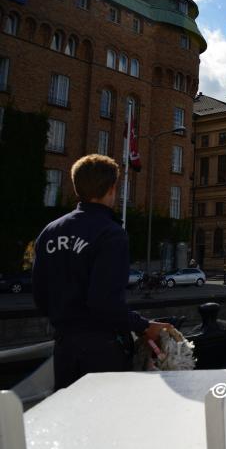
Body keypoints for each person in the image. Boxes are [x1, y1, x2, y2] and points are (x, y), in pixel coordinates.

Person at [32, 155, 172, 391]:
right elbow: (105, 303)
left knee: (71, 411)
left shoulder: (49, 232)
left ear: (76, 189)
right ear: (112, 188)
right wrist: (142, 326)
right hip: (102, 349)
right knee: (106, 412)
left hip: (64, 349)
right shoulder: (111, 234)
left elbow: (41, 298)